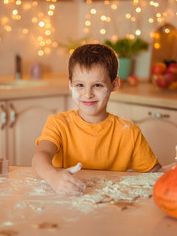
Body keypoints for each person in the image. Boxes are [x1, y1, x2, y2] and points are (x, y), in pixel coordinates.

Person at [32, 43, 162, 196]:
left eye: (97, 85)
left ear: (114, 84)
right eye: (80, 85)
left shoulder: (129, 132)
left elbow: (155, 173)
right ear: (70, 85)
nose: (88, 94)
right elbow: (40, 157)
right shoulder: (59, 124)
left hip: (110, 205)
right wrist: (53, 177)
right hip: (65, 202)